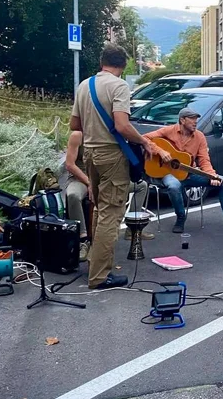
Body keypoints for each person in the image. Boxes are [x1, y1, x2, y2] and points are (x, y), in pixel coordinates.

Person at [70, 43, 165, 290]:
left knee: (100, 210)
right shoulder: (119, 85)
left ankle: (94, 263)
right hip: (112, 155)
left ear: (102, 62)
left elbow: (74, 125)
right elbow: (122, 126)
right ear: (122, 65)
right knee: (111, 216)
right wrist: (145, 141)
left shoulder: (84, 85)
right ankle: (99, 276)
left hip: (90, 154)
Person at [146, 108, 223, 236]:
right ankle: (181, 217)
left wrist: (212, 175)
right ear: (182, 120)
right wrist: (160, 151)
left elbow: (204, 160)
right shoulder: (169, 131)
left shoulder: (199, 136)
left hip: (189, 174)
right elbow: (144, 138)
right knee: (174, 186)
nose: (195, 122)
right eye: (192, 119)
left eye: (196, 119)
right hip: (168, 172)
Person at [60, 130, 153, 264]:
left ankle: (132, 229)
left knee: (141, 186)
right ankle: (82, 239)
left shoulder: (105, 134)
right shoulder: (78, 135)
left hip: (104, 178)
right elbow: (70, 165)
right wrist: (89, 182)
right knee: (73, 195)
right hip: (80, 179)